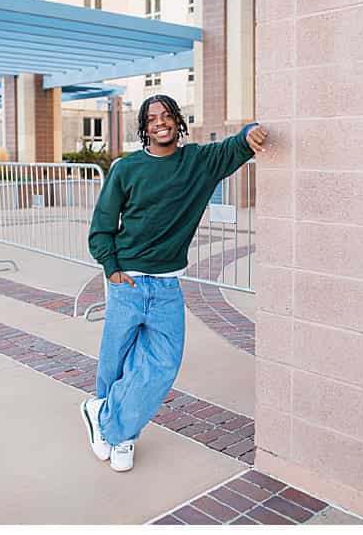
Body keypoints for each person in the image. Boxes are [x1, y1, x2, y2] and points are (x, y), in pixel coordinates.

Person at [81, 95, 269, 473]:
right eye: (152, 119)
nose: (160, 123)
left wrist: (251, 132)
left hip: (167, 285)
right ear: (144, 128)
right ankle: (121, 433)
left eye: (167, 116)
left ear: (178, 121)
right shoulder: (127, 169)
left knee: (162, 364)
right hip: (127, 281)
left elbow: (235, 146)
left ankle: (106, 420)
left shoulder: (198, 162)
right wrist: (112, 268)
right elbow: (102, 225)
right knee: (116, 359)